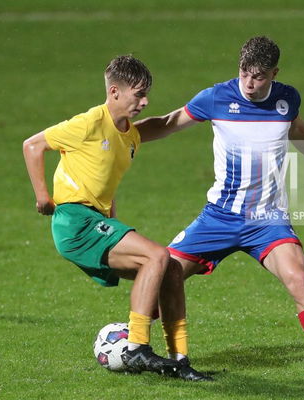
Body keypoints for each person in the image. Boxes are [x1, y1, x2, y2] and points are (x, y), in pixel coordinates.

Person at [135, 37, 304, 383]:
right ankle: (128, 342)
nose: (250, 83)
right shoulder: (216, 98)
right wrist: (123, 137)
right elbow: (168, 122)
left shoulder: (287, 98)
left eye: (259, 76)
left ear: (274, 73)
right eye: (244, 74)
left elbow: (296, 128)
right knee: (165, 273)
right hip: (219, 217)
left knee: (298, 279)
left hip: (267, 221)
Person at [22, 55, 210, 381]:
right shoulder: (90, 123)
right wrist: (42, 197)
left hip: (94, 219)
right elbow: (33, 145)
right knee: (157, 255)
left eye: (146, 93)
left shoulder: (129, 134)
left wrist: (200, 111)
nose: (144, 100)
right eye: (138, 94)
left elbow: (161, 125)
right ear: (115, 92)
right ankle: (136, 346)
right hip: (75, 221)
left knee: (171, 272)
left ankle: (179, 360)